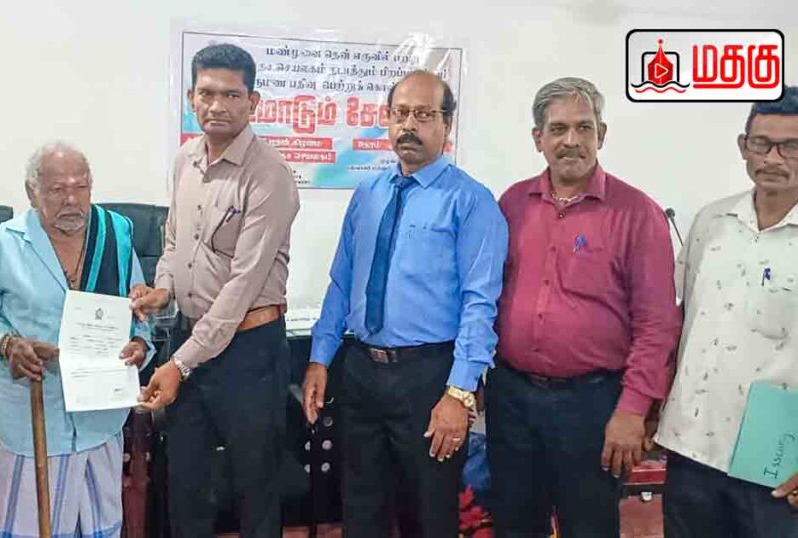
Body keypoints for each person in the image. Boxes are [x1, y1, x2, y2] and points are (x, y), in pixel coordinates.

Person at [302, 69, 508, 538]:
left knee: (429, 516)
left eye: (423, 115)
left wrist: (459, 392)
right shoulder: (368, 194)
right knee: (361, 511)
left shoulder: (471, 202)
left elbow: (480, 304)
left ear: (446, 124)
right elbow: (342, 281)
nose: (409, 125)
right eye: (400, 114)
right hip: (361, 372)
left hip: (429, 378)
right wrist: (319, 357)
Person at [488, 77, 682, 537]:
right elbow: (488, 293)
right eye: (557, 129)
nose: (571, 140)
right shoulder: (512, 203)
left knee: (589, 526)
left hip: (592, 405)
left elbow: (657, 324)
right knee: (513, 524)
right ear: (538, 138)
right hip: (511, 398)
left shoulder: (638, 214)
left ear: (602, 134)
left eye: (584, 127)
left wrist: (633, 410)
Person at [130, 43, 299, 537]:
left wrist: (180, 365)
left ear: (253, 102)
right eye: (206, 93)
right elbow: (174, 242)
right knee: (186, 482)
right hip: (191, 342)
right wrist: (163, 290)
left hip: (249, 352)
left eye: (231, 94)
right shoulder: (186, 160)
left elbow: (242, 286)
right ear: (191, 97)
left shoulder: (269, 175)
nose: (217, 105)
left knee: (255, 488)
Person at [0, 142, 153, 537]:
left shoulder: (115, 234)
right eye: (57, 189)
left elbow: (137, 307)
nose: (71, 200)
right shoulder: (1, 244)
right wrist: (7, 344)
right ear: (31, 192)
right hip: (29, 418)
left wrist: (140, 343)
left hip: (98, 417)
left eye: (80, 187)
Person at [656, 86, 798, 538]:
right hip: (691, 447)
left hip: (777, 461)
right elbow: (678, 322)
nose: (773, 158)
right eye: (762, 143)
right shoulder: (712, 222)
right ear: (743, 146)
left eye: (791, 146)